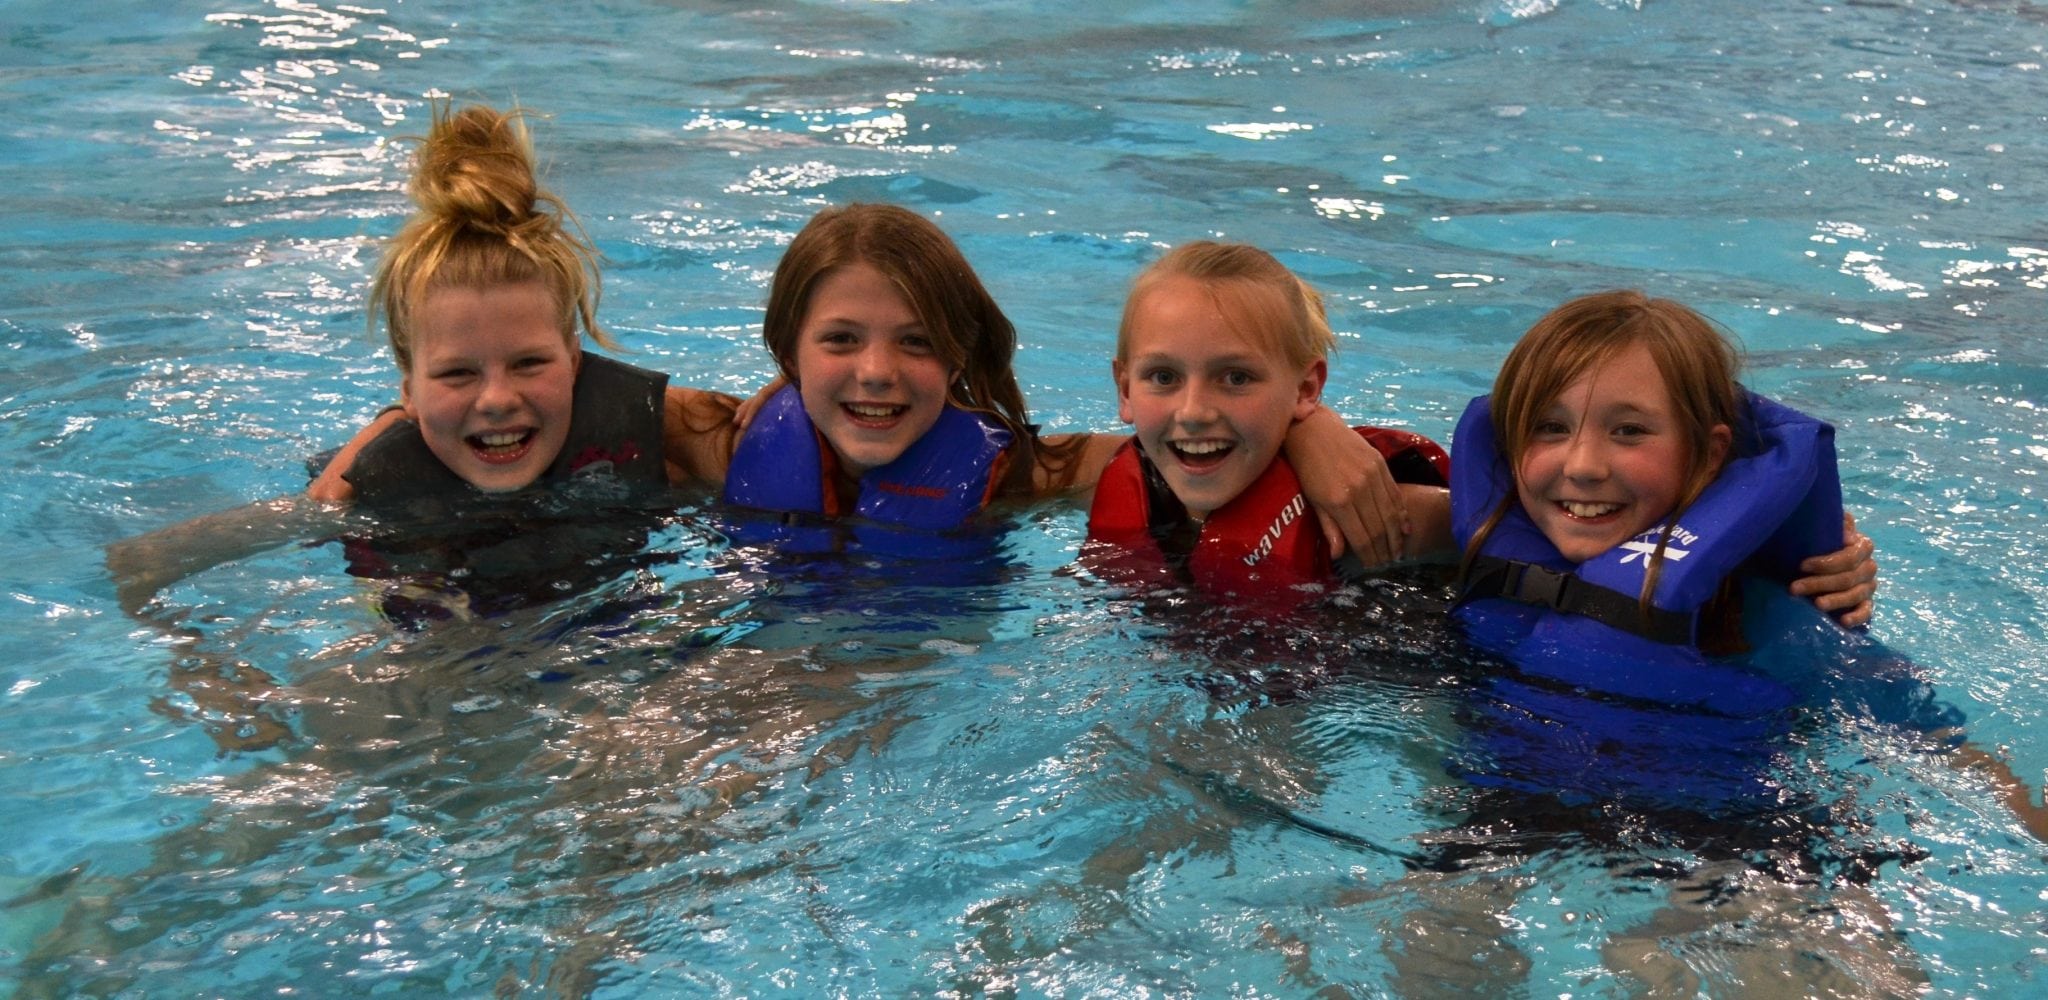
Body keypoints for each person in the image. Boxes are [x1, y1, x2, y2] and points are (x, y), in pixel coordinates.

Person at [1081, 241, 1452, 602]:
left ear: (1306, 389)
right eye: (1164, 377)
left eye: (1236, 378)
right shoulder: (1107, 474)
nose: (1193, 412)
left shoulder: (1378, 510)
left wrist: (1313, 426)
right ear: (1125, 389)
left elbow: (1500, 529)